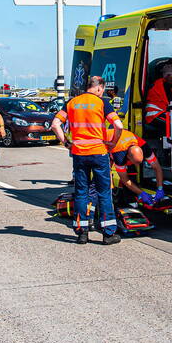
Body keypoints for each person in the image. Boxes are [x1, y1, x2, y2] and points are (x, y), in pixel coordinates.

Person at [51, 75, 124, 245]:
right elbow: (118, 126)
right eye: (103, 90)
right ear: (99, 88)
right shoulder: (102, 103)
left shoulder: (72, 102)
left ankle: (82, 233)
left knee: (81, 193)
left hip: (79, 154)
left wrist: (67, 143)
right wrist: (112, 143)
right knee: (104, 193)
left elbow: (55, 124)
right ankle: (108, 234)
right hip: (99, 152)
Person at [109, 130, 165, 206]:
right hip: (104, 144)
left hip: (122, 140)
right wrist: (141, 193)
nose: (138, 166)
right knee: (105, 173)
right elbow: (125, 180)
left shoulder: (143, 146)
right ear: (128, 157)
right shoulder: (119, 155)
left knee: (132, 171)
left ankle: (132, 197)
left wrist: (160, 188)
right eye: (135, 163)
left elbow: (157, 167)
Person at [144, 64, 172, 139]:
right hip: (153, 115)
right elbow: (169, 101)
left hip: (158, 113)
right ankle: (169, 147)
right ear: (168, 75)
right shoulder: (163, 85)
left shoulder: (163, 84)